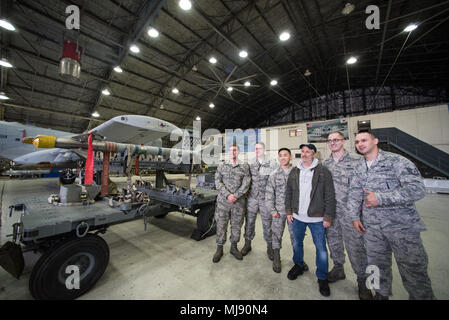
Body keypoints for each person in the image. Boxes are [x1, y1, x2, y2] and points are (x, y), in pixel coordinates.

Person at [347, 131, 435, 300]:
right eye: (357, 141)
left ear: (376, 141)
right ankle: (380, 295)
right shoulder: (358, 167)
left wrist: (380, 198)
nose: (360, 144)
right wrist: (354, 217)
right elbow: (354, 193)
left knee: (413, 270)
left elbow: (417, 190)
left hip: (402, 229)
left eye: (364, 140)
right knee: (375, 267)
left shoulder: (397, 162)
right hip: (372, 229)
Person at [323, 132, 373, 300]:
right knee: (334, 243)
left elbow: (365, 188)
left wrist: (359, 213)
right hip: (331, 214)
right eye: (330, 141)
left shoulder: (357, 162)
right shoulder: (325, 164)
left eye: (336, 139)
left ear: (343, 141)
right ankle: (338, 269)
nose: (333, 143)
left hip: (352, 215)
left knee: (356, 249)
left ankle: (362, 281)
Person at [285, 144, 336, 297]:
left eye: (308, 151)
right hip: (298, 217)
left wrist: (328, 216)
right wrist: (289, 211)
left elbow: (330, 195)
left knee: (321, 248)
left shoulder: (323, 171)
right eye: (303, 151)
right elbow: (288, 193)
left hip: (317, 218)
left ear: (314, 154)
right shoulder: (294, 171)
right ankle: (298, 265)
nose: (305, 154)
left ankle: (322, 277)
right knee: (296, 243)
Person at [265, 147, 309, 273]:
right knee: (276, 235)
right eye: (280, 155)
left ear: (290, 157)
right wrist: (272, 210)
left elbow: (304, 192)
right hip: (278, 212)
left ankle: (298, 260)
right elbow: (269, 194)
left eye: (285, 155)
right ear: (278, 158)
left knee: (296, 237)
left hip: (294, 212)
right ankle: (277, 258)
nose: (283, 157)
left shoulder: (298, 172)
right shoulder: (274, 174)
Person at [213, 144, 251, 263]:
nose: (232, 152)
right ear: (228, 153)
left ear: (238, 152)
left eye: (235, 150)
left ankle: (233, 247)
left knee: (236, 226)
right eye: (230, 150)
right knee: (221, 225)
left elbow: (246, 183)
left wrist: (236, 195)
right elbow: (217, 181)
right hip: (223, 202)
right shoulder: (221, 165)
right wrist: (228, 195)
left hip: (238, 203)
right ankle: (219, 248)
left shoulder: (244, 166)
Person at [241, 142, 278, 260]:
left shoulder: (272, 163)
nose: (257, 151)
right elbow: (246, 179)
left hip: (266, 199)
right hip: (252, 198)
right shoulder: (250, 163)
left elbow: (275, 181)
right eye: (256, 149)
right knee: (249, 222)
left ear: (264, 149)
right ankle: (247, 244)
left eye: (260, 148)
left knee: (268, 224)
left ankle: (270, 247)